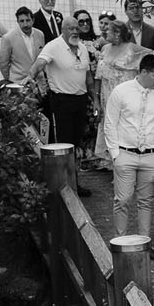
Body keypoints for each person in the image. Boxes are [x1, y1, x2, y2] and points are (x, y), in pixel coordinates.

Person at [103, 54, 154, 239]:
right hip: (125, 153)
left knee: (146, 201)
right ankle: (120, 241)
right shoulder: (120, 91)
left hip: (152, 155)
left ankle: (144, 242)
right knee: (122, 200)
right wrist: (115, 154)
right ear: (143, 72)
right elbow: (110, 123)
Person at [27, 17, 99, 194]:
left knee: (77, 143)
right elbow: (39, 64)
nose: (75, 31)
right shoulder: (53, 46)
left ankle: (74, 183)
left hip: (81, 101)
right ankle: (63, 185)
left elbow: (88, 77)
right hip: (62, 102)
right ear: (63, 30)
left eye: (77, 28)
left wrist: (95, 99)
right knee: (64, 144)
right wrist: (30, 77)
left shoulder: (82, 47)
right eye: (70, 28)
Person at [94, 20, 142, 166]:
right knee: (111, 132)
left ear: (118, 33)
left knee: (126, 133)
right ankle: (116, 166)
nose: (104, 32)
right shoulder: (105, 49)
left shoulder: (132, 50)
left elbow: (145, 73)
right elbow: (98, 77)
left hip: (127, 101)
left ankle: (128, 166)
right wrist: (96, 100)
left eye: (108, 30)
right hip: (107, 100)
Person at [0, 7, 44, 86]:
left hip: (39, 82)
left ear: (33, 20)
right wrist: (11, 80)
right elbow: (3, 64)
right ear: (18, 22)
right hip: (18, 83)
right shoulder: (8, 38)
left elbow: (42, 58)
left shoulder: (40, 35)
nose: (25, 24)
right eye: (22, 21)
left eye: (28, 20)